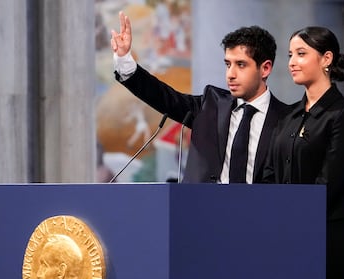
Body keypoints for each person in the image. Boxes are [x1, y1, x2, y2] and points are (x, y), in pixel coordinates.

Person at [110, 11, 290, 184]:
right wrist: (125, 61)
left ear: (265, 68)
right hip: (201, 210)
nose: (230, 74)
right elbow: (162, 96)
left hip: (260, 212)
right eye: (228, 64)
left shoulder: (289, 120)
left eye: (241, 65)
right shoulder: (209, 105)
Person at [263, 26, 344, 279]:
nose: (291, 61)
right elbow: (269, 174)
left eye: (301, 54)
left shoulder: (342, 114)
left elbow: (328, 184)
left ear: (326, 58)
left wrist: (286, 217)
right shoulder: (289, 117)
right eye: (291, 54)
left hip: (327, 241)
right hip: (287, 241)